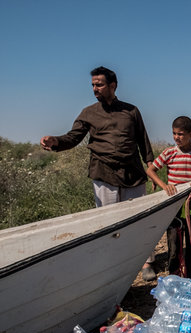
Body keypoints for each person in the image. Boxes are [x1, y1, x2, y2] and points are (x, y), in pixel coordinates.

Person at [40, 66, 158, 280]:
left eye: (99, 84)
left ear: (113, 85)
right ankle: (113, 268)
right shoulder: (88, 112)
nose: (95, 88)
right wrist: (55, 141)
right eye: (93, 85)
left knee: (139, 220)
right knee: (108, 224)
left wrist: (150, 167)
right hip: (104, 173)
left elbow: (143, 140)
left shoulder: (131, 111)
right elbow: (73, 137)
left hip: (133, 173)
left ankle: (146, 263)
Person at [146, 116, 191, 280]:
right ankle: (174, 281)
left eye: (180, 134)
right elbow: (150, 170)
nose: (176, 137)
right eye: (174, 133)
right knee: (174, 246)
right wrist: (164, 186)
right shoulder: (169, 153)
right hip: (173, 207)